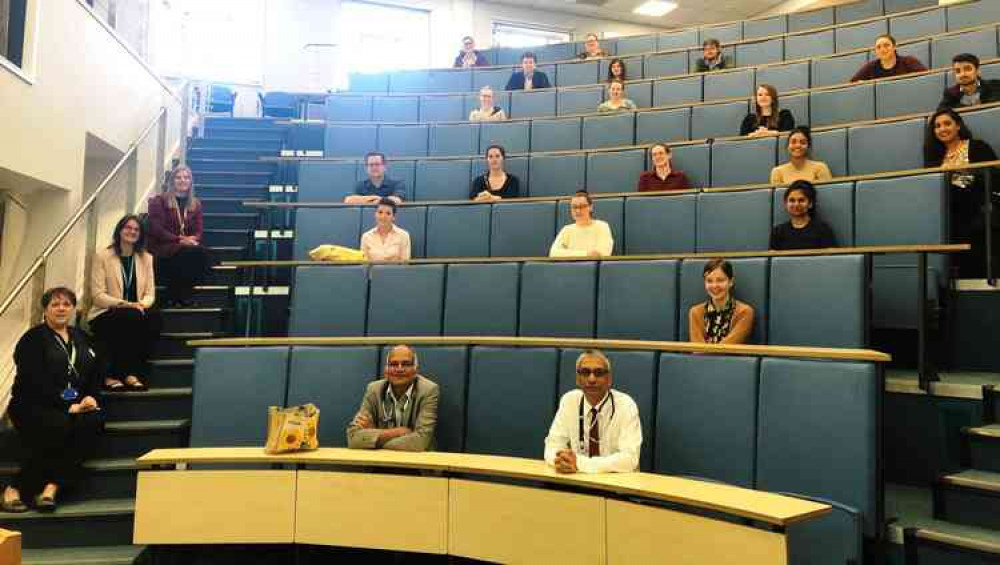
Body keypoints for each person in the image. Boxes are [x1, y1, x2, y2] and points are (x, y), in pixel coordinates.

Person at [3, 288, 104, 513]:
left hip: (75, 404)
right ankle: (15, 488)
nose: (61, 309)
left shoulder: (82, 338)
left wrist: (90, 397)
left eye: (67, 304)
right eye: (55, 304)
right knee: (58, 426)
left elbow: (95, 374)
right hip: (32, 404)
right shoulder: (33, 339)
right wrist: (67, 405)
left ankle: (51, 488)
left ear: (74, 309)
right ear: (45, 309)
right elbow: (32, 382)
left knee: (92, 422)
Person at [88, 214, 161, 392]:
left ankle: (130, 373)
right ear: (120, 231)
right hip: (106, 311)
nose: (132, 232)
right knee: (130, 318)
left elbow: (150, 293)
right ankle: (113, 374)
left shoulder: (146, 258)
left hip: (137, 311)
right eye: (128, 227)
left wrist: (142, 305)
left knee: (155, 319)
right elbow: (97, 295)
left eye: (136, 229)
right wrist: (127, 305)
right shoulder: (103, 256)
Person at [924, 108, 999, 278]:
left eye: (947, 123)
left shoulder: (977, 147)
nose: (942, 129)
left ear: (958, 126)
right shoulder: (934, 158)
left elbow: (991, 179)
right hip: (948, 213)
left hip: (979, 210)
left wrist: (954, 179)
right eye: (937, 126)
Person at [544, 350, 641, 474]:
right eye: (585, 372)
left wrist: (579, 463)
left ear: (609, 379)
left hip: (616, 486)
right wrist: (560, 461)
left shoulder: (626, 405)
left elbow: (630, 459)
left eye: (598, 373)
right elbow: (552, 445)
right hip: (576, 481)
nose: (591, 379)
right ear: (577, 379)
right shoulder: (569, 401)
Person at [346, 345, 439, 451]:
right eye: (394, 364)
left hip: (417, 463)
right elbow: (353, 438)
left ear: (415, 370)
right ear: (386, 371)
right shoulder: (374, 390)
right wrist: (397, 432)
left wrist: (373, 438)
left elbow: (420, 442)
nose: (399, 369)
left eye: (406, 364)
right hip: (379, 463)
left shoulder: (428, 390)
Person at [147, 165, 210, 307]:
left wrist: (194, 239)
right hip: (163, 245)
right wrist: (180, 240)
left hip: (185, 246)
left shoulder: (196, 204)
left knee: (200, 252)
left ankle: (184, 294)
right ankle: (177, 296)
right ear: (172, 181)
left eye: (186, 177)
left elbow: (199, 231)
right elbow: (157, 230)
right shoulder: (159, 201)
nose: (183, 180)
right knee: (186, 253)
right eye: (178, 177)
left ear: (191, 182)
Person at [688, 258, 755, 344]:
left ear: (731, 282)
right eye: (709, 281)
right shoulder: (695, 312)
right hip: (701, 358)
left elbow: (727, 348)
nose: (714, 286)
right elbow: (696, 350)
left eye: (720, 280)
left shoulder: (745, 312)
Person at [769, 180, 838, 250]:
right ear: (786, 204)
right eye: (792, 200)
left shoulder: (823, 229)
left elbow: (831, 258)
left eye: (801, 200)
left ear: (810, 204)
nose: (796, 204)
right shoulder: (778, 231)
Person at [550, 191, 614, 258]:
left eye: (582, 206)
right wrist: (586, 254)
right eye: (574, 207)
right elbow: (553, 253)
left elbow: (603, 253)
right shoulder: (567, 229)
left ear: (591, 207)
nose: (578, 211)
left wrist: (568, 253)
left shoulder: (602, 226)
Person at [851, 34, 927, 82]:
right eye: (878, 47)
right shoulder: (871, 66)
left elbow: (926, 78)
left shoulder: (909, 61)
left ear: (894, 47)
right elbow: (853, 83)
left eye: (886, 45)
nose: (882, 50)